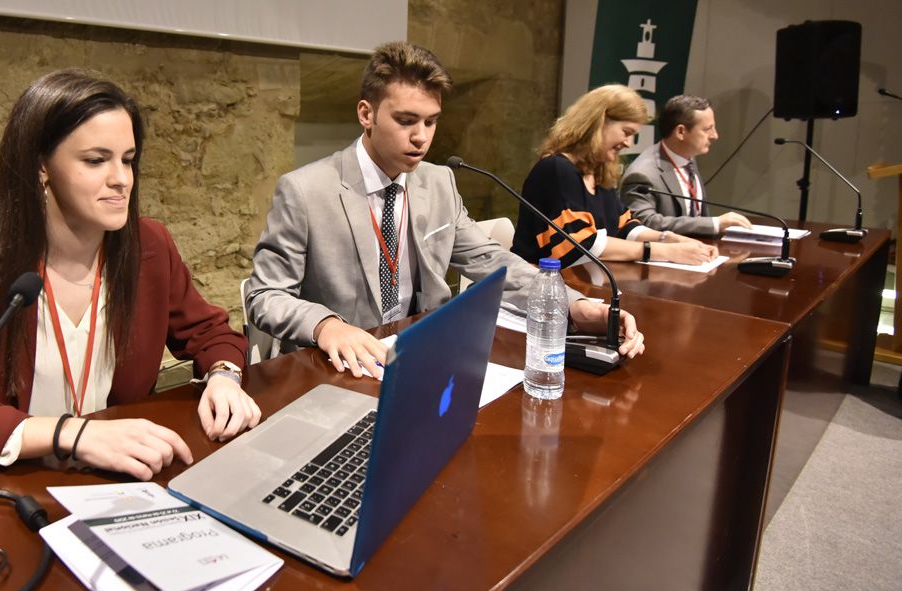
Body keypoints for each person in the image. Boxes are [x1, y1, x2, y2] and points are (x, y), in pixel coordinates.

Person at [0, 69, 261, 480]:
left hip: (122, 479)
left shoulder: (149, 246)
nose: (121, 180)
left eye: (128, 161)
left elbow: (211, 333)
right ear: (41, 165)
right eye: (96, 160)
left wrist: (224, 377)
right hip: (19, 486)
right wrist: (75, 434)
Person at [245, 42, 645, 379]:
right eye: (405, 121)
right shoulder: (305, 190)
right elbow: (265, 295)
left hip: (421, 355)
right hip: (337, 366)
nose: (421, 137)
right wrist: (326, 325)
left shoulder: (438, 182)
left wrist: (571, 304)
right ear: (366, 114)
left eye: (431, 122)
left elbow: (492, 261)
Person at [512, 84, 719, 269]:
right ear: (599, 123)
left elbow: (624, 225)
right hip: (540, 288)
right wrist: (663, 252)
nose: (628, 143)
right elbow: (580, 243)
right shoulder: (555, 169)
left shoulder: (598, 170)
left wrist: (669, 239)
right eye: (626, 132)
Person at [619, 95, 752, 235]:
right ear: (681, 132)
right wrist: (714, 224)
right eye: (708, 129)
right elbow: (644, 223)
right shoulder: (643, 174)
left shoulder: (687, 157)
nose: (715, 136)